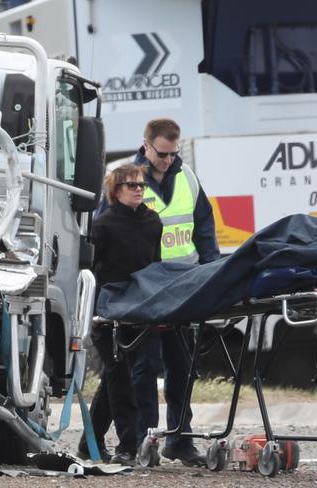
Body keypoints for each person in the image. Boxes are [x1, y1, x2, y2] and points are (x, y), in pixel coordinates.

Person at [131, 118, 220, 466]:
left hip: (184, 286)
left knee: (182, 368)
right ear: (147, 144)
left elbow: (205, 228)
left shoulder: (188, 178)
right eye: (162, 154)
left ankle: (179, 440)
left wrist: (213, 273)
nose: (168, 160)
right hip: (148, 289)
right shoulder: (129, 179)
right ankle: (145, 438)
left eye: (173, 153)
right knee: (144, 366)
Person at [77, 164, 163, 466]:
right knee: (120, 378)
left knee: (118, 378)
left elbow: (156, 266)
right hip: (108, 312)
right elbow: (89, 270)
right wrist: (91, 311)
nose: (139, 189)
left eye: (141, 185)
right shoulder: (102, 226)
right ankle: (128, 445)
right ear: (116, 190)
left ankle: (89, 442)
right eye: (131, 185)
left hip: (139, 310)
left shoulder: (154, 222)